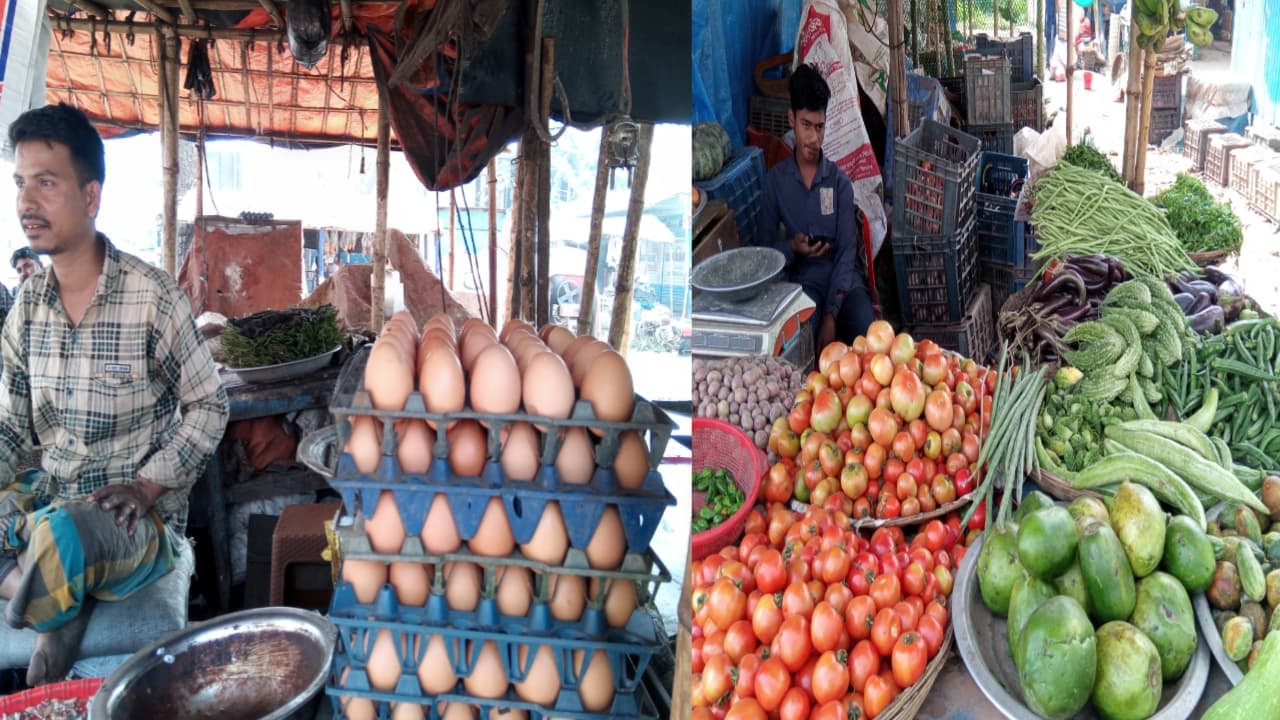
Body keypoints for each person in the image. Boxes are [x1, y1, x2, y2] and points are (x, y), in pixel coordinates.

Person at [0, 103, 229, 685]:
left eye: (46, 183)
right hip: (49, 498)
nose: (27, 203)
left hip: (129, 522)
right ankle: (43, 583)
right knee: (51, 524)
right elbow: (10, 430)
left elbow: (210, 404)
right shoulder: (26, 309)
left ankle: (41, 596)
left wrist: (148, 484)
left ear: (91, 196)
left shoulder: (150, 297)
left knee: (67, 531)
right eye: (20, 183)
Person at [757, 63, 876, 349]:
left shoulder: (839, 183)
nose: (813, 137)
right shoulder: (775, 182)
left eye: (819, 127)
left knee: (868, 334)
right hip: (802, 286)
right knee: (797, 345)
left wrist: (831, 315)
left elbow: (847, 253)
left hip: (844, 284)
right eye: (806, 125)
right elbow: (762, 253)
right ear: (791, 119)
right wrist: (792, 249)